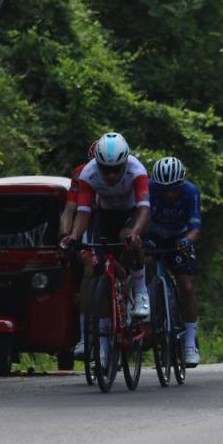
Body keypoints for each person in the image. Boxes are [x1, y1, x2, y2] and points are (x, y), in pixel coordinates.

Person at [61, 132, 152, 366]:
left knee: (128, 238)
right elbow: (82, 213)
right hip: (105, 216)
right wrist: (73, 236)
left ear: (125, 163)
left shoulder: (137, 170)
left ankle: (140, 290)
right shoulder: (89, 174)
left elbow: (144, 209)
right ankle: (102, 348)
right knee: (101, 274)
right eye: (106, 169)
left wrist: (135, 232)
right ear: (97, 165)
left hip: (132, 213)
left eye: (116, 169)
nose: (111, 175)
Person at [146, 156, 202, 366]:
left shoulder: (190, 191)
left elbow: (195, 227)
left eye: (173, 189)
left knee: (186, 286)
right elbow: (138, 215)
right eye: (163, 189)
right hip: (153, 237)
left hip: (180, 239)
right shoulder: (148, 189)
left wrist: (188, 241)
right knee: (145, 262)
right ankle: (150, 301)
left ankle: (189, 343)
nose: (169, 193)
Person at [60, 140, 99, 360]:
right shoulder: (82, 174)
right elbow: (71, 207)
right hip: (89, 221)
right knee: (88, 266)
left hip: (114, 217)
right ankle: (85, 335)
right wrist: (66, 234)